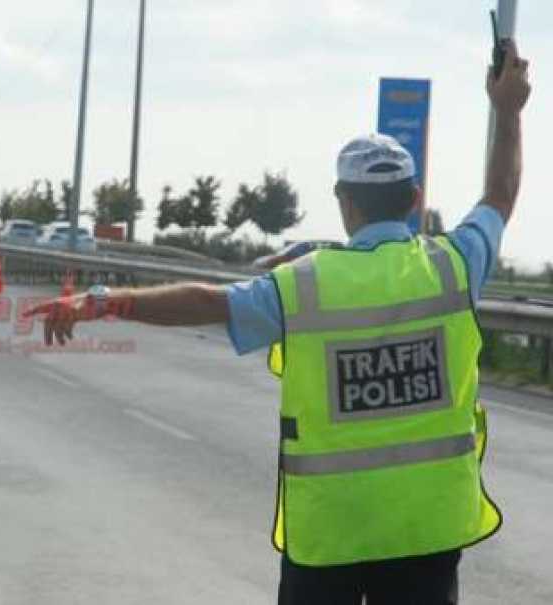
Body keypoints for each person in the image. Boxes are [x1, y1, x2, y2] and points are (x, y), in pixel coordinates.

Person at [26, 41, 532, 604]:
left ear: (343, 202)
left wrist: (102, 300)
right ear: (414, 199)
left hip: (329, 531)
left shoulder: (301, 286)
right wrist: (508, 110)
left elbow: (205, 302)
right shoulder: (455, 266)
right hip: (427, 526)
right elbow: (500, 196)